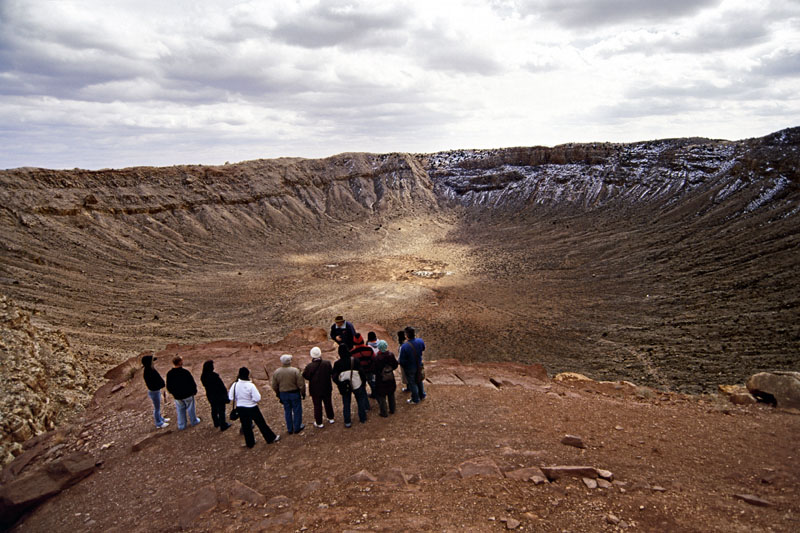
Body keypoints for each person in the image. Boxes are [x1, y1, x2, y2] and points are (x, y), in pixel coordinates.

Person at [229, 367, 280, 448]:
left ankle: (250, 443)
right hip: (252, 407)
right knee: (261, 423)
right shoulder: (250, 385)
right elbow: (257, 398)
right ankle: (270, 438)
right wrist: (250, 400)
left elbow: (231, 397)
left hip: (241, 408)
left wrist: (240, 399)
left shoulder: (234, 385)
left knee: (246, 426)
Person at [331, 344, 368, 426]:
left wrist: (339, 383)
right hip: (357, 383)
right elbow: (362, 372)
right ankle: (362, 418)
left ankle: (347, 421)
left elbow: (334, 377)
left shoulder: (337, 364)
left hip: (345, 386)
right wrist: (363, 383)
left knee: (346, 403)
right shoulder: (355, 360)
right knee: (360, 400)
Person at [271, 354, 306, 434]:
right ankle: (297, 427)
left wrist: (278, 393)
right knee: (297, 410)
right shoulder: (295, 371)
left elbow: (274, 385)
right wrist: (303, 393)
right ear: (290, 361)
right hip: (294, 393)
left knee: (287, 411)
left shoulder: (277, 372)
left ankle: (290, 428)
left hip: (283, 394)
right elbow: (301, 384)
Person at [302, 347, 335, 428]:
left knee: (317, 405)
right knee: (328, 403)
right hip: (326, 387)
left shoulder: (309, 366)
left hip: (315, 389)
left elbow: (305, 376)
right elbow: (331, 372)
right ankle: (331, 418)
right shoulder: (327, 363)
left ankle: (319, 422)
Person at [166, 355, 201, 429]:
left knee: (180, 410)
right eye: (181, 360)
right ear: (179, 362)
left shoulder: (169, 374)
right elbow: (192, 383)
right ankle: (193, 421)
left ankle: (182, 425)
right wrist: (194, 391)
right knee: (191, 408)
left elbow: (168, 386)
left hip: (177, 396)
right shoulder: (185, 372)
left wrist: (172, 393)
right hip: (188, 394)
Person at [200, 360, 231, 432]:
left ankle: (216, 423)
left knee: (213, 409)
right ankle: (223, 425)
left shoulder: (203, 376)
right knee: (221, 410)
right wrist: (225, 396)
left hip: (210, 395)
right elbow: (221, 387)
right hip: (218, 396)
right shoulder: (215, 376)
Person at [398, 326, 426, 404]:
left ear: (406, 335)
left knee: (412, 383)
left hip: (410, 367)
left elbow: (401, 360)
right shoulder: (420, 341)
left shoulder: (404, 346)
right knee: (419, 379)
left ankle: (415, 399)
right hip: (419, 364)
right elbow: (423, 348)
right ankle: (422, 395)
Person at [141, 353, 170, 429]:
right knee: (157, 408)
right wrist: (160, 386)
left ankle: (161, 419)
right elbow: (152, 383)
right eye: (152, 361)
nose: (153, 362)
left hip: (155, 391)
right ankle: (159, 423)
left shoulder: (150, 369)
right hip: (154, 391)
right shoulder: (148, 372)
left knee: (158, 407)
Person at [373, 340, 399, 417]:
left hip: (380, 380)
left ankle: (384, 412)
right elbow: (395, 365)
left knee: (382, 396)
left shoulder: (377, 358)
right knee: (391, 394)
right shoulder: (391, 355)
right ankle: (392, 409)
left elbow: (374, 370)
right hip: (390, 377)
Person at [351, 332, 376, 401]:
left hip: (360, 372)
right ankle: (375, 394)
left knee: (362, 385)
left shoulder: (352, 352)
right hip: (369, 369)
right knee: (371, 382)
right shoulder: (368, 349)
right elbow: (373, 359)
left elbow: (353, 364)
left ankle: (365, 402)